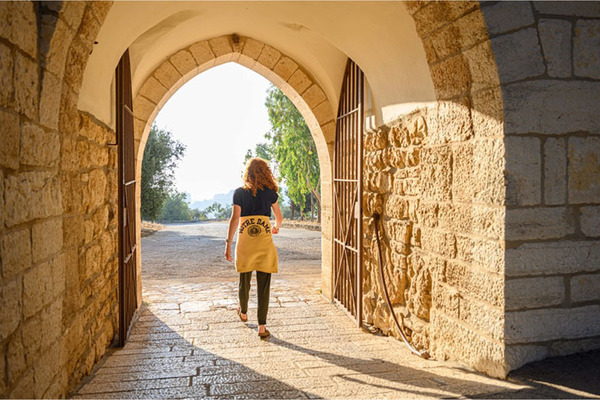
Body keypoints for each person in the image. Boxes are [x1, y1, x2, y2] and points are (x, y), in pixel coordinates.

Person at [225, 157, 283, 339]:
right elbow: (279, 217)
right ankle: (262, 326)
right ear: (266, 172)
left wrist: (228, 243)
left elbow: (235, 219)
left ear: (248, 173)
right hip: (264, 243)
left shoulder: (239, 193)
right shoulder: (271, 192)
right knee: (264, 286)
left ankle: (243, 312)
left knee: (244, 278)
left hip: (245, 242)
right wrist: (276, 227)